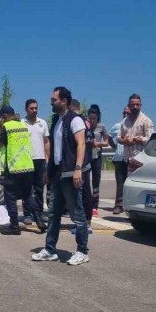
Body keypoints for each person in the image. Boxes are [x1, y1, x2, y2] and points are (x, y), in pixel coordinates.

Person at [32, 87, 90, 266]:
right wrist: (48, 171)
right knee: (53, 214)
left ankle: (82, 251)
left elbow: (81, 144)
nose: (51, 102)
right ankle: (50, 250)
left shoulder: (75, 120)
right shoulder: (57, 121)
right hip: (57, 175)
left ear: (64, 101)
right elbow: (55, 148)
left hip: (71, 175)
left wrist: (78, 168)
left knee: (77, 215)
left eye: (54, 99)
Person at [0, 105, 46, 235]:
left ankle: (14, 226)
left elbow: (0, 144)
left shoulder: (6, 127)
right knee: (28, 196)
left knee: (10, 197)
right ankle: (39, 222)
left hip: (13, 168)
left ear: (4, 116)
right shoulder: (23, 126)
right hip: (27, 166)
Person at [115, 94, 154, 213]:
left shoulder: (146, 121)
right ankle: (124, 206)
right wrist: (124, 141)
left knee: (139, 186)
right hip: (126, 158)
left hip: (140, 160)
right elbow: (118, 137)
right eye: (133, 105)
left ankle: (140, 209)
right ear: (129, 106)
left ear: (141, 105)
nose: (135, 107)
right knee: (125, 185)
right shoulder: (124, 121)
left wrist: (136, 139)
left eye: (137, 104)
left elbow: (151, 138)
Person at [21, 99, 50, 226]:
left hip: (40, 160)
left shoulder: (42, 123)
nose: (34, 110)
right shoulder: (21, 123)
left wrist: (48, 158)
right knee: (27, 189)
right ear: (26, 109)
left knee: (39, 188)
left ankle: (39, 212)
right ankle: (27, 214)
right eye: (31, 108)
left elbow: (46, 142)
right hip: (26, 160)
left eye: (36, 108)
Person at [68, 99, 94, 235]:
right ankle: (86, 223)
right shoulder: (86, 122)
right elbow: (91, 141)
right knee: (85, 193)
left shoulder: (76, 121)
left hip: (80, 164)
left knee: (81, 195)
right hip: (87, 162)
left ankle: (85, 224)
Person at [87, 105, 110, 217]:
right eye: (90, 118)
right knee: (85, 181)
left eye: (94, 119)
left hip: (97, 156)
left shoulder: (102, 127)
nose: (92, 121)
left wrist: (98, 144)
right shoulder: (85, 125)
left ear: (97, 118)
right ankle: (86, 203)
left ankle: (94, 206)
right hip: (86, 156)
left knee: (96, 181)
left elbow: (106, 142)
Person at [109, 106, 131, 214]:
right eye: (124, 113)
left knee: (130, 182)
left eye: (128, 113)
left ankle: (129, 205)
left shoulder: (134, 126)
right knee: (120, 183)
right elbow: (109, 137)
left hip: (131, 158)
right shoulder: (117, 126)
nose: (125, 115)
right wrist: (114, 147)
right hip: (119, 158)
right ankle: (118, 205)